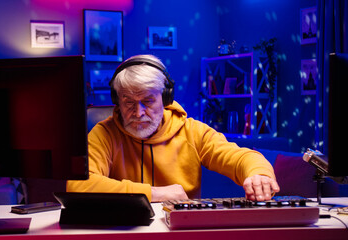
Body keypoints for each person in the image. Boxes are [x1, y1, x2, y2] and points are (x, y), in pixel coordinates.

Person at [67, 54, 280, 202]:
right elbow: (78, 186)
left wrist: (258, 173)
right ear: (117, 101)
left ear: (165, 98)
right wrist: (153, 194)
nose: (139, 112)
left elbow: (239, 157)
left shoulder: (192, 131)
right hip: (122, 231)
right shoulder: (103, 134)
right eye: (128, 102)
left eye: (148, 101)